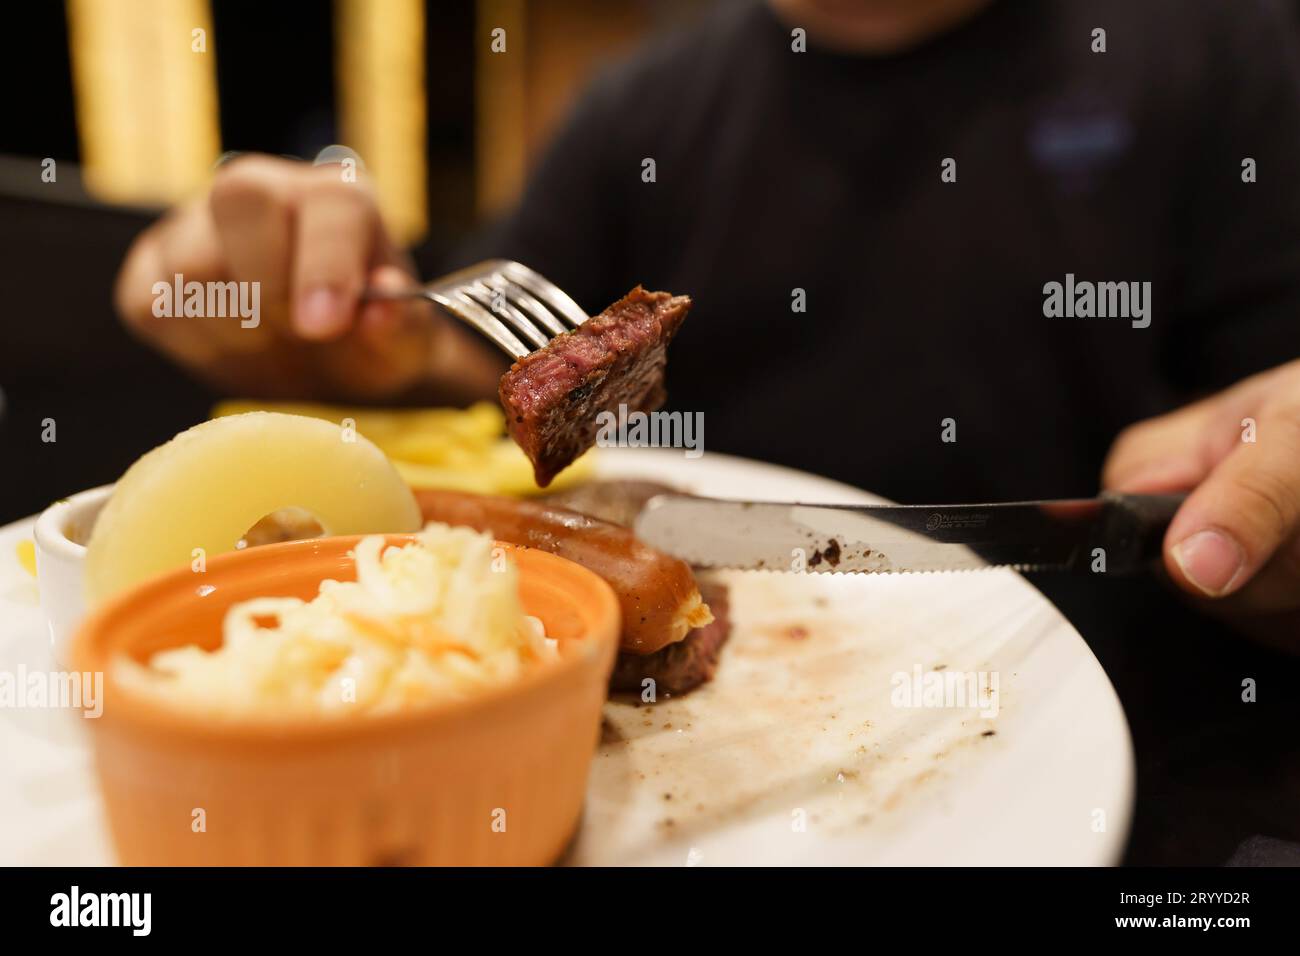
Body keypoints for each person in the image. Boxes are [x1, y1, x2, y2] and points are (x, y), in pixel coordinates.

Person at [114, 0, 1300, 648]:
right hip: (752, 685)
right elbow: (469, 360)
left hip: (1145, 710)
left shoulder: (1227, 49)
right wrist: (295, 322)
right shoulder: (642, 102)